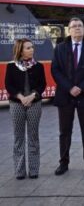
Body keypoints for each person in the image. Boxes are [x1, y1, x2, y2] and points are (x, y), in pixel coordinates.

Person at [51, 17, 84, 176]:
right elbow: (55, 70)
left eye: (80, 25)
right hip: (65, 96)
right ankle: (63, 163)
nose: (77, 28)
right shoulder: (59, 48)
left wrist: (81, 87)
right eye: (74, 26)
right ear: (69, 30)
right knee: (64, 132)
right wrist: (69, 87)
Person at [5, 38, 46, 180]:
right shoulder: (11, 66)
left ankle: (34, 170)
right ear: (20, 51)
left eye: (32, 47)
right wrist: (21, 97)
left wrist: (33, 96)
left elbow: (42, 85)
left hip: (34, 104)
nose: (32, 50)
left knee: (33, 137)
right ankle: (19, 171)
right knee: (18, 138)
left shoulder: (38, 66)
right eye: (28, 48)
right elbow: (9, 85)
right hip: (17, 104)